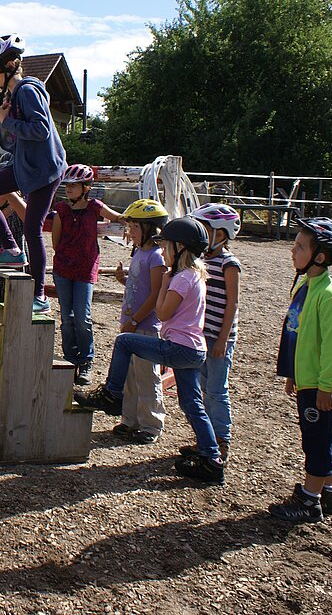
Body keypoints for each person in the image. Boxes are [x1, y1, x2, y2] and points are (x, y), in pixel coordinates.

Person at [76, 217, 225, 483]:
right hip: (193, 349)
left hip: (178, 348)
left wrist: (166, 280)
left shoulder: (180, 278)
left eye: (166, 247)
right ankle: (211, 457)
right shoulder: (195, 275)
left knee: (124, 342)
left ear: (180, 248)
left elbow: (164, 311)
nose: (163, 252)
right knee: (192, 404)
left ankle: (111, 394)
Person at [0, 33, 67, 314]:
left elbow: (41, 130)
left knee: (32, 229)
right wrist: (5, 121)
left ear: (10, 64)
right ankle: (12, 250)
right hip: (26, 165)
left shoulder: (27, 90)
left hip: (44, 170)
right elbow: (12, 141)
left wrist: (8, 120)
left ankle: (39, 296)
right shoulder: (16, 93)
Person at [269, 217, 332, 523]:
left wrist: (326, 386)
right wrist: (293, 372)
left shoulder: (329, 296)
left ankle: (309, 501)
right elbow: (298, 335)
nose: (293, 251)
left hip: (321, 384)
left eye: (300, 246)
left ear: (320, 256)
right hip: (309, 380)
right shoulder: (306, 286)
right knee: (317, 436)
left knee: (316, 441)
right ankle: (327, 492)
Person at [180, 203, 242, 463]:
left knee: (216, 390)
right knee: (202, 386)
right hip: (200, 334)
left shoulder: (230, 263)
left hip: (218, 337)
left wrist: (223, 339)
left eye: (205, 230)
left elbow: (233, 303)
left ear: (222, 234)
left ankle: (221, 440)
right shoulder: (201, 261)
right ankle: (205, 438)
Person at [50, 164, 123, 386]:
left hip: (85, 269)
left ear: (86, 187)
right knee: (66, 318)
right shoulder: (61, 209)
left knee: (82, 317)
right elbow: (56, 241)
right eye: (68, 185)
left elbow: (117, 217)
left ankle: (87, 361)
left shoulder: (94, 207)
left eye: (74, 185)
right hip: (63, 268)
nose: (69, 189)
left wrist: (135, 220)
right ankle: (70, 359)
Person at [110, 199, 169, 445]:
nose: (130, 232)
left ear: (149, 229)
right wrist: (123, 280)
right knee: (130, 376)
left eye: (134, 227)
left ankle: (151, 424)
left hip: (145, 327)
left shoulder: (156, 257)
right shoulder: (140, 252)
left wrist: (134, 320)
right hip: (132, 323)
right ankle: (130, 419)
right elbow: (141, 288)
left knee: (147, 376)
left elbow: (156, 294)